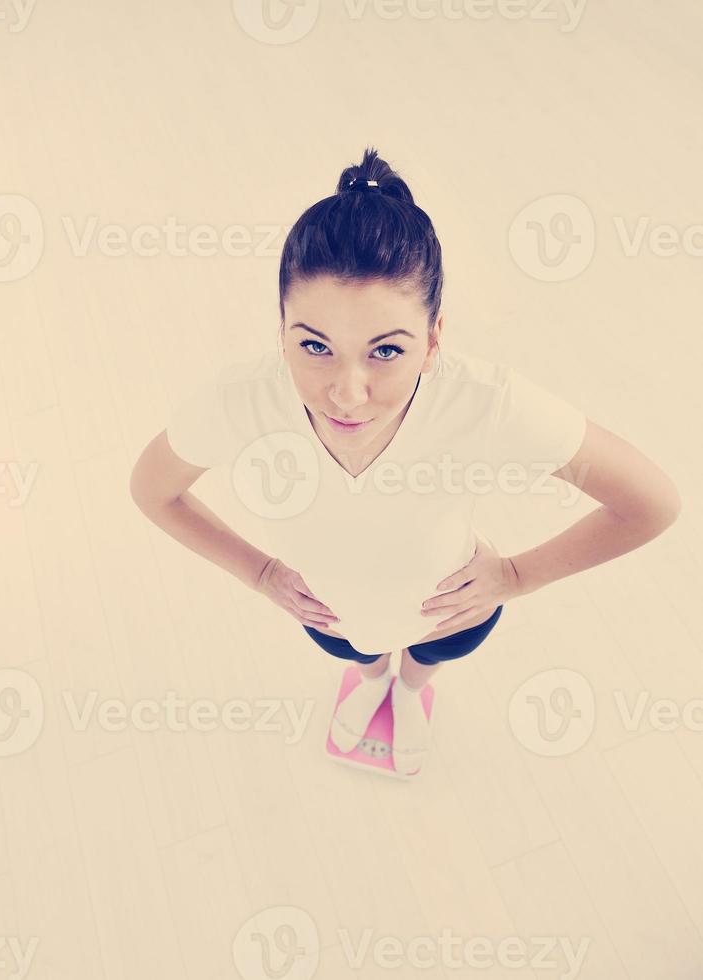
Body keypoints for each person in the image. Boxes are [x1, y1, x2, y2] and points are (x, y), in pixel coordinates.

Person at [130, 146, 682, 776]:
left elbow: (651, 503)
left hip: (448, 613)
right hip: (331, 613)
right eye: (314, 345)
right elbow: (153, 491)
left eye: (386, 351)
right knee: (361, 654)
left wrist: (519, 576)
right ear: (279, 325)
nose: (348, 391)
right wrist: (260, 576)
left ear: (434, 337)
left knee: (423, 659)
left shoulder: (485, 403)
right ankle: (370, 680)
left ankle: (413, 690)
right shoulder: (240, 402)